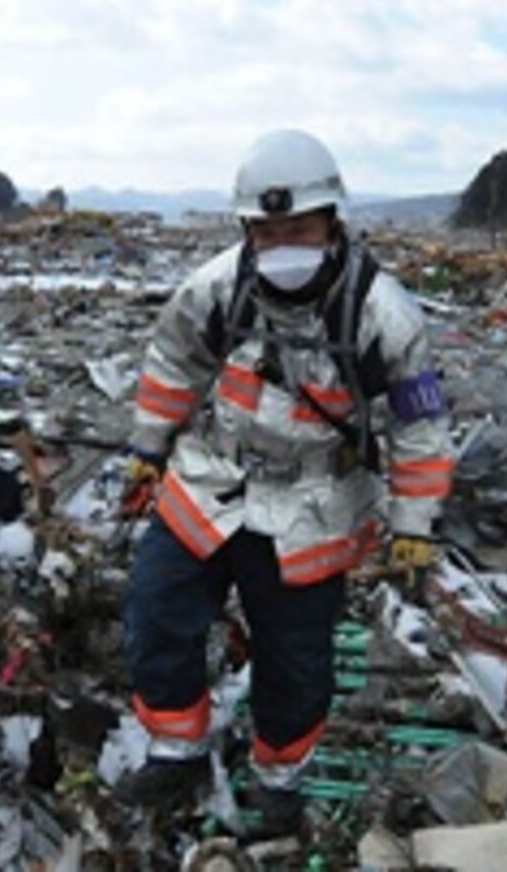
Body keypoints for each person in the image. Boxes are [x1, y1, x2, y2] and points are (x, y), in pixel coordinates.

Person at [114, 129, 452, 832]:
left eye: (296, 225)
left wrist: (416, 526)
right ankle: (176, 750)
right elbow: (174, 364)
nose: (282, 241)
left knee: (295, 659)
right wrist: (149, 449)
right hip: (211, 482)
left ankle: (280, 774)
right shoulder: (216, 286)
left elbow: (420, 424)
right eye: (267, 229)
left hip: (313, 506)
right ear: (247, 228)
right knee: (155, 614)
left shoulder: (383, 312)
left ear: (332, 221)